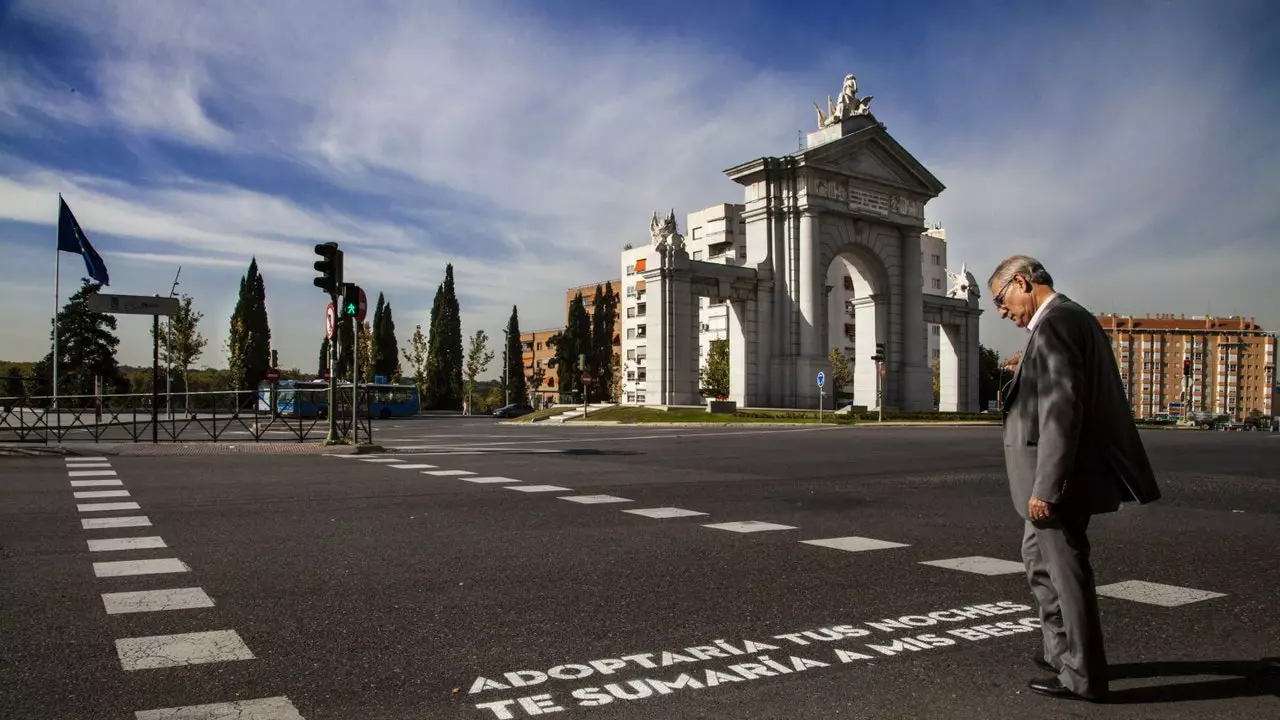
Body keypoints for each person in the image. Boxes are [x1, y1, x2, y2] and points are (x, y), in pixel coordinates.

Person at [988, 255, 1162, 703]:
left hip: (1056, 482)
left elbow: (1062, 411)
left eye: (1001, 301)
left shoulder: (1057, 324)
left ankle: (1083, 676)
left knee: (1066, 573)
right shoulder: (1069, 320)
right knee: (1037, 559)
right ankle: (1060, 652)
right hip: (1055, 478)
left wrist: (1046, 487)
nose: (1002, 312)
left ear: (1022, 283)